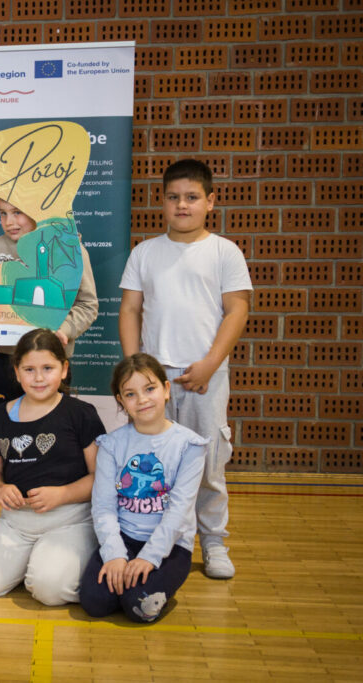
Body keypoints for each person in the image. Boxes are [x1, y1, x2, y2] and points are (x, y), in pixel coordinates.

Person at [118, 158, 251, 579]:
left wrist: (210, 364)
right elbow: (130, 309)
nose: (182, 205)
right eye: (173, 197)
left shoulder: (224, 252)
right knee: (155, 465)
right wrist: (135, 371)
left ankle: (213, 542)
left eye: (192, 197)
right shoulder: (145, 252)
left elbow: (237, 310)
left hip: (203, 377)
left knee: (207, 464)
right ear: (162, 201)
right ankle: (164, 541)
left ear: (210, 201)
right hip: (155, 379)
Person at [0, 328, 105, 605]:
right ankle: (35, 560)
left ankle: (57, 560)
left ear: (64, 369)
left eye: (48, 368)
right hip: (17, 522)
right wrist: (0, 489)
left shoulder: (81, 414)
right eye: (29, 370)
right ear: (16, 371)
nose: (38, 378)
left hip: (71, 520)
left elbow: (100, 477)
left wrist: (63, 494)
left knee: (50, 590)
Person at [79, 353, 208, 622]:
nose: (142, 400)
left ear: (166, 389)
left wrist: (149, 558)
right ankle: (130, 587)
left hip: (170, 546)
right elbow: (103, 507)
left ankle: (148, 588)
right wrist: (115, 555)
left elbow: (179, 511)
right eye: (131, 394)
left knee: (139, 608)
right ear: (121, 401)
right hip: (125, 537)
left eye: (150, 389)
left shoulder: (189, 446)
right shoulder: (111, 445)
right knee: (94, 603)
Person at [0, 199, 99, 409]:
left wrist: (64, 329)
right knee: (4, 425)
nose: (9, 221)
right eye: (3, 213)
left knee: (50, 424)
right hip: (5, 360)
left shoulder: (71, 249)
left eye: (17, 212)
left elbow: (87, 305)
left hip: (50, 358)